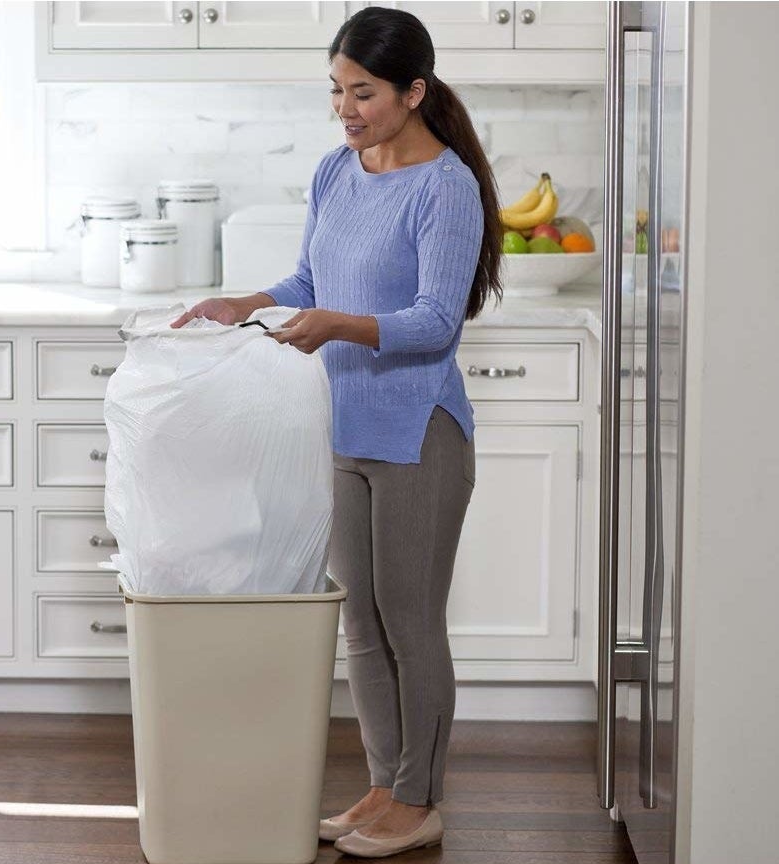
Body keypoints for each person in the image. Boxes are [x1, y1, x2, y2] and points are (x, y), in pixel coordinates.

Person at [171, 6, 503, 858]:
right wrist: (244, 301)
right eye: (336, 90)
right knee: (359, 621)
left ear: (413, 92)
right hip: (343, 423)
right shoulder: (336, 171)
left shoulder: (446, 186)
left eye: (363, 92)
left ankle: (421, 800)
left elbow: (433, 322)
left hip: (418, 432)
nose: (345, 108)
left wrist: (331, 324)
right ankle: (386, 784)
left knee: (411, 622)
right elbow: (310, 276)